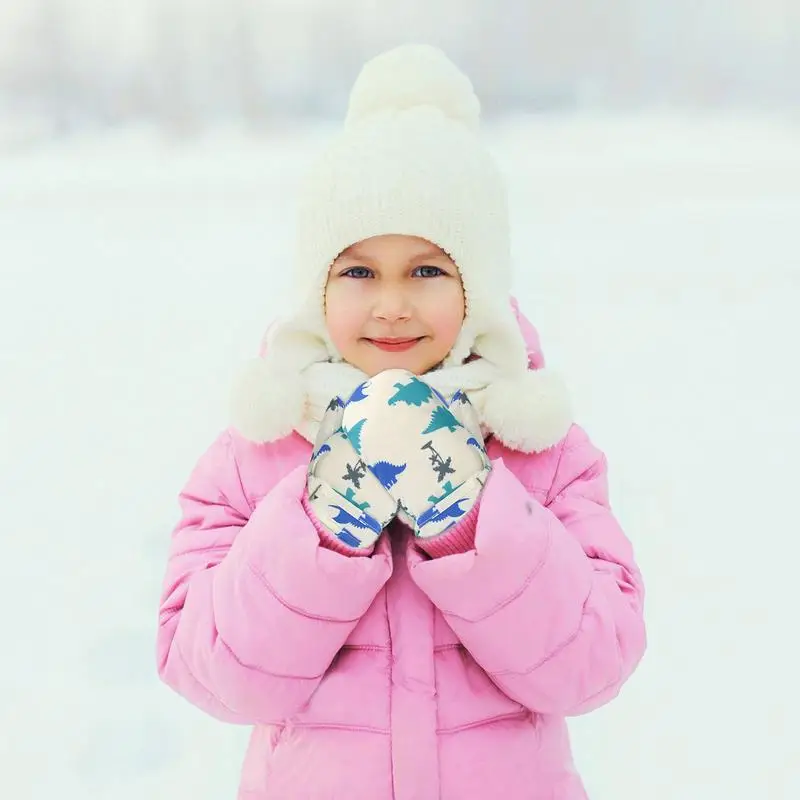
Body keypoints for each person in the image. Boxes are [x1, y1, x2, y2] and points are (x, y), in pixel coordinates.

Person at [156, 43, 646, 800]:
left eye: (426, 270)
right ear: (314, 290)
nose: (391, 304)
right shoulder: (259, 450)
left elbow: (595, 662)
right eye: (357, 271)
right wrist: (326, 516)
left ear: (476, 291)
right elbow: (213, 671)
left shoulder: (539, 449)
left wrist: (467, 512)